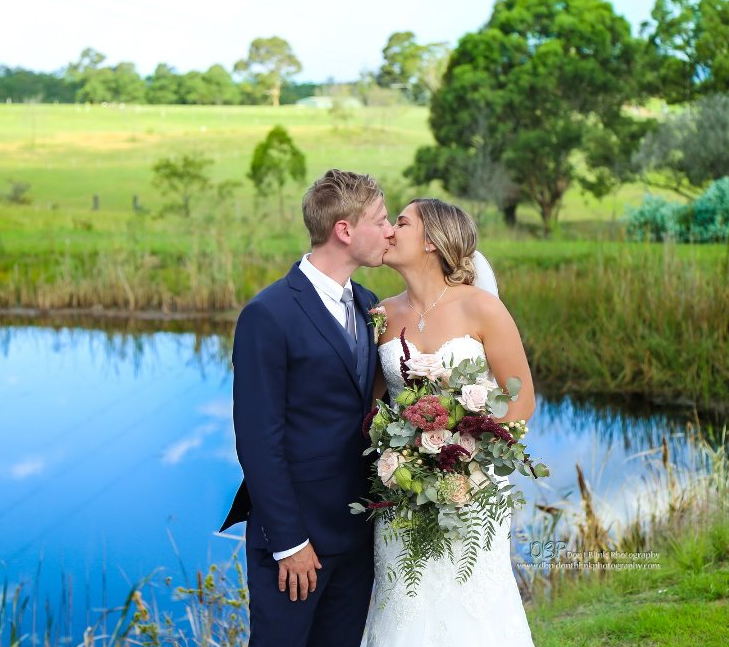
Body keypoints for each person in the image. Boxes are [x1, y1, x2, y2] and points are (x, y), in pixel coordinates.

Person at [219, 169, 394, 647]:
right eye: (380, 220)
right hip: (298, 542)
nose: (390, 231)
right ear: (344, 230)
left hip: (358, 533)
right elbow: (257, 440)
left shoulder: (368, 302)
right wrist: (289, 543)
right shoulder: (268, 314)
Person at [362, 198, 537, 646]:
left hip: (473, 490)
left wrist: (470, 464)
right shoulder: (382, 315)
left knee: (471, 601)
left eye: (400, 223)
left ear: (432, 242)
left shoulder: (481, 308)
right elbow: (370, 409)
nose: (389, 231)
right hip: (401, 488)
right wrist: (403, 460)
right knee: (403, 598)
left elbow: (521, 401)